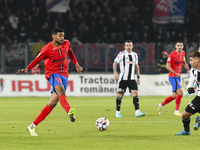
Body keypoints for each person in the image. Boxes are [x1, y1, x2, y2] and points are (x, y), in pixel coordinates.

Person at [17, 27, 83, 136]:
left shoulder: (66, 43)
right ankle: (69, 111)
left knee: (53, 102)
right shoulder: (46, 49)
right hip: (52, 73)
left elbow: (70, 52)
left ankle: (32, 126)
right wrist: (27, 69)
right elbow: (36, 60)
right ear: (53, 36)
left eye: (63, 35)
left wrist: (76, 64)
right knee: (61, 91)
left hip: (64, 75)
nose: (62, 38)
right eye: (60, 35)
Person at [113, 40, 146, 118]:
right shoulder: (121, 54)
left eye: (130, 45)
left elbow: (137, 66)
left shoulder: (135, 55)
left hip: (131, 79)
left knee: (135, 93)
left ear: (132, 46)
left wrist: (138, 77)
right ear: (124, 47)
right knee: (120, 95)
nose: (128, 47)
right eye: (127, 45)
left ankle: (137, 112)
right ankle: (117, 112)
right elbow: (115, 63)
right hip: (123, 79)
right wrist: (115, 73)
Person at [156, 40, 190, 116]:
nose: (179, 47)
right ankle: (176, 111)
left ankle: (160, 105)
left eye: (181, 46)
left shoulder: (183, 53)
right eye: (178, 46)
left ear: (182, 46)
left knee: (174, 96)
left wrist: (188, 69)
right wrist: (175, 73)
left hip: (177, 77)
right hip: (173, 76)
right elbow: (167, 66)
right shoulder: (172, 55)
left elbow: (184, 62)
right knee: (180, 92)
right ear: (175, 46)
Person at [175, 50, 200, 135]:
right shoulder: (193, 70)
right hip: (199, 97)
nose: (190, 62)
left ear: (198, 60)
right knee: (184, 115)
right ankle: (186, 131)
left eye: (192, 60)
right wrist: (189, 87)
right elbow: (192, 79)